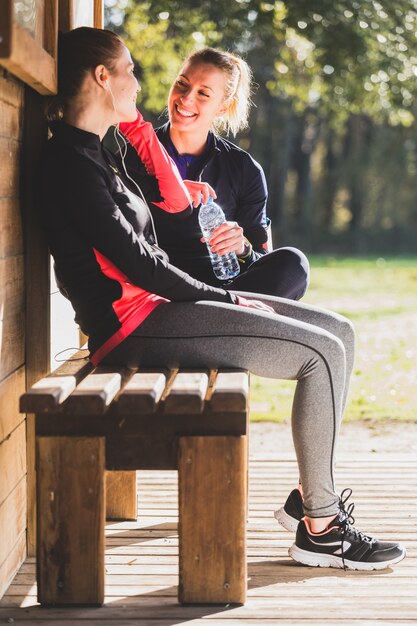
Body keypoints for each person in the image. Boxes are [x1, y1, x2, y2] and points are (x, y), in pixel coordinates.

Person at [37, 26, 405, 571]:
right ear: (101, 78)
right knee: (319, 355)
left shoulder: (94, 152)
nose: (142, 83)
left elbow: (169, 229)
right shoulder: (72, 164)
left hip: (159, 310)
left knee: (341, 333)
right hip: (132, 324)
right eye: (131, 71)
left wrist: (139, 127)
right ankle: (322, 527)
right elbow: (144, 266)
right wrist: (228, 300)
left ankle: (311, 500)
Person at [119, 47, 309, 300]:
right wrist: (166, 192)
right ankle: (225, 320)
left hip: (224, 291)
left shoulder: (244, 169)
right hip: (158, 285)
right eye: (182, 84)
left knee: (294, 264)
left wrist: (241, 248)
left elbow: (262, 258)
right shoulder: (134, 151)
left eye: (203, 94)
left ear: (223, 106)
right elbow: (117, 228)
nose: (186, 99)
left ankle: (221, 312)